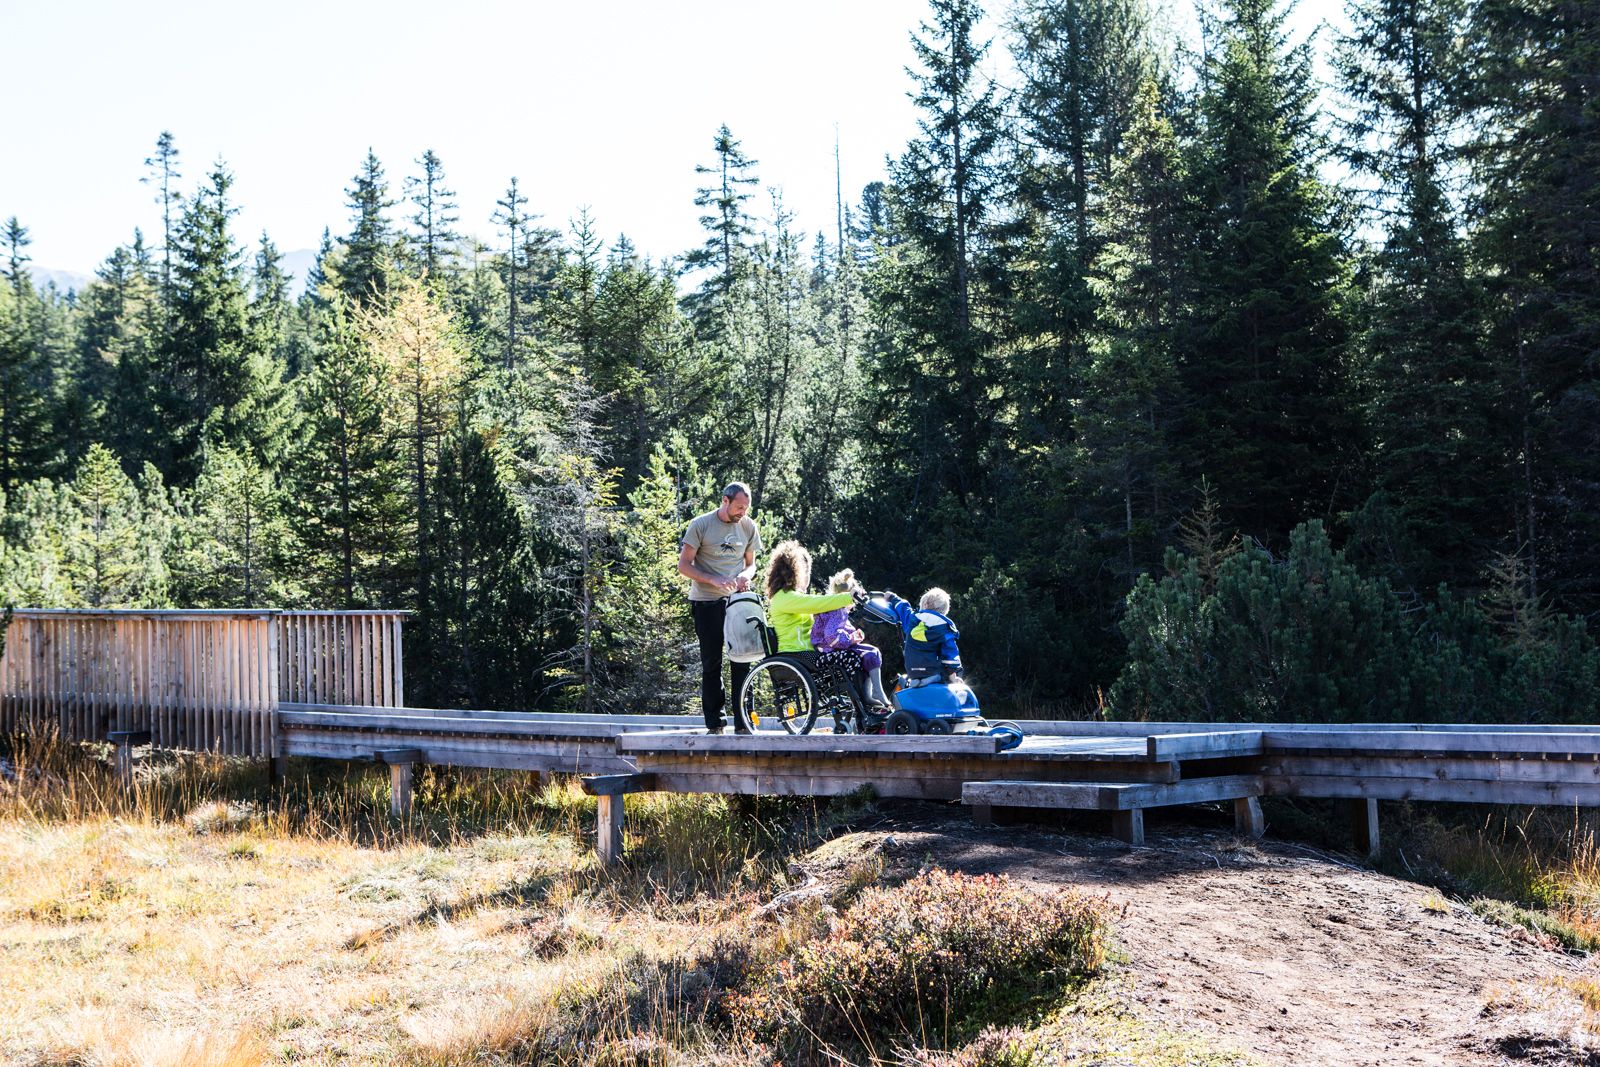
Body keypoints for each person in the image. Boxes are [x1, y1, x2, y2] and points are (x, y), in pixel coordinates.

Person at [679, 482, 763, 733]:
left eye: (746, 508)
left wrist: (746, 576)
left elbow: (751, 564)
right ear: (725, 501)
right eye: (739, 507)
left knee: (742, 660)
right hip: (706, 602)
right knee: (712, 663)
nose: (743, 512)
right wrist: (712, 579)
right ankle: (715, 724)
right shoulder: (701, 525)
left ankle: (743, 722)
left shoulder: (748, 526)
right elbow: (684, 565)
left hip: (737, 602)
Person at [809, 568, 891, 711]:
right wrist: (850, 638)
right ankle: (873, 692)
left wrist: (853, 635)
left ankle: (873, 692)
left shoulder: (839, 609)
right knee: (870, 653)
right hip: (827, 649)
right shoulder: (837, 609)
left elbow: (839, 630)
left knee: (872, 652)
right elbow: (831, 636)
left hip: (834, 646)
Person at [883, 587, 965, 691]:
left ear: (925, 604)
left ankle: (918, 682)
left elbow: (903, 608)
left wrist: (892, 597)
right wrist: (953, 677)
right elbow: (950, 656)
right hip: (934, 675)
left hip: (913, 674)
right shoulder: (945, 627)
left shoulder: (913, 619)